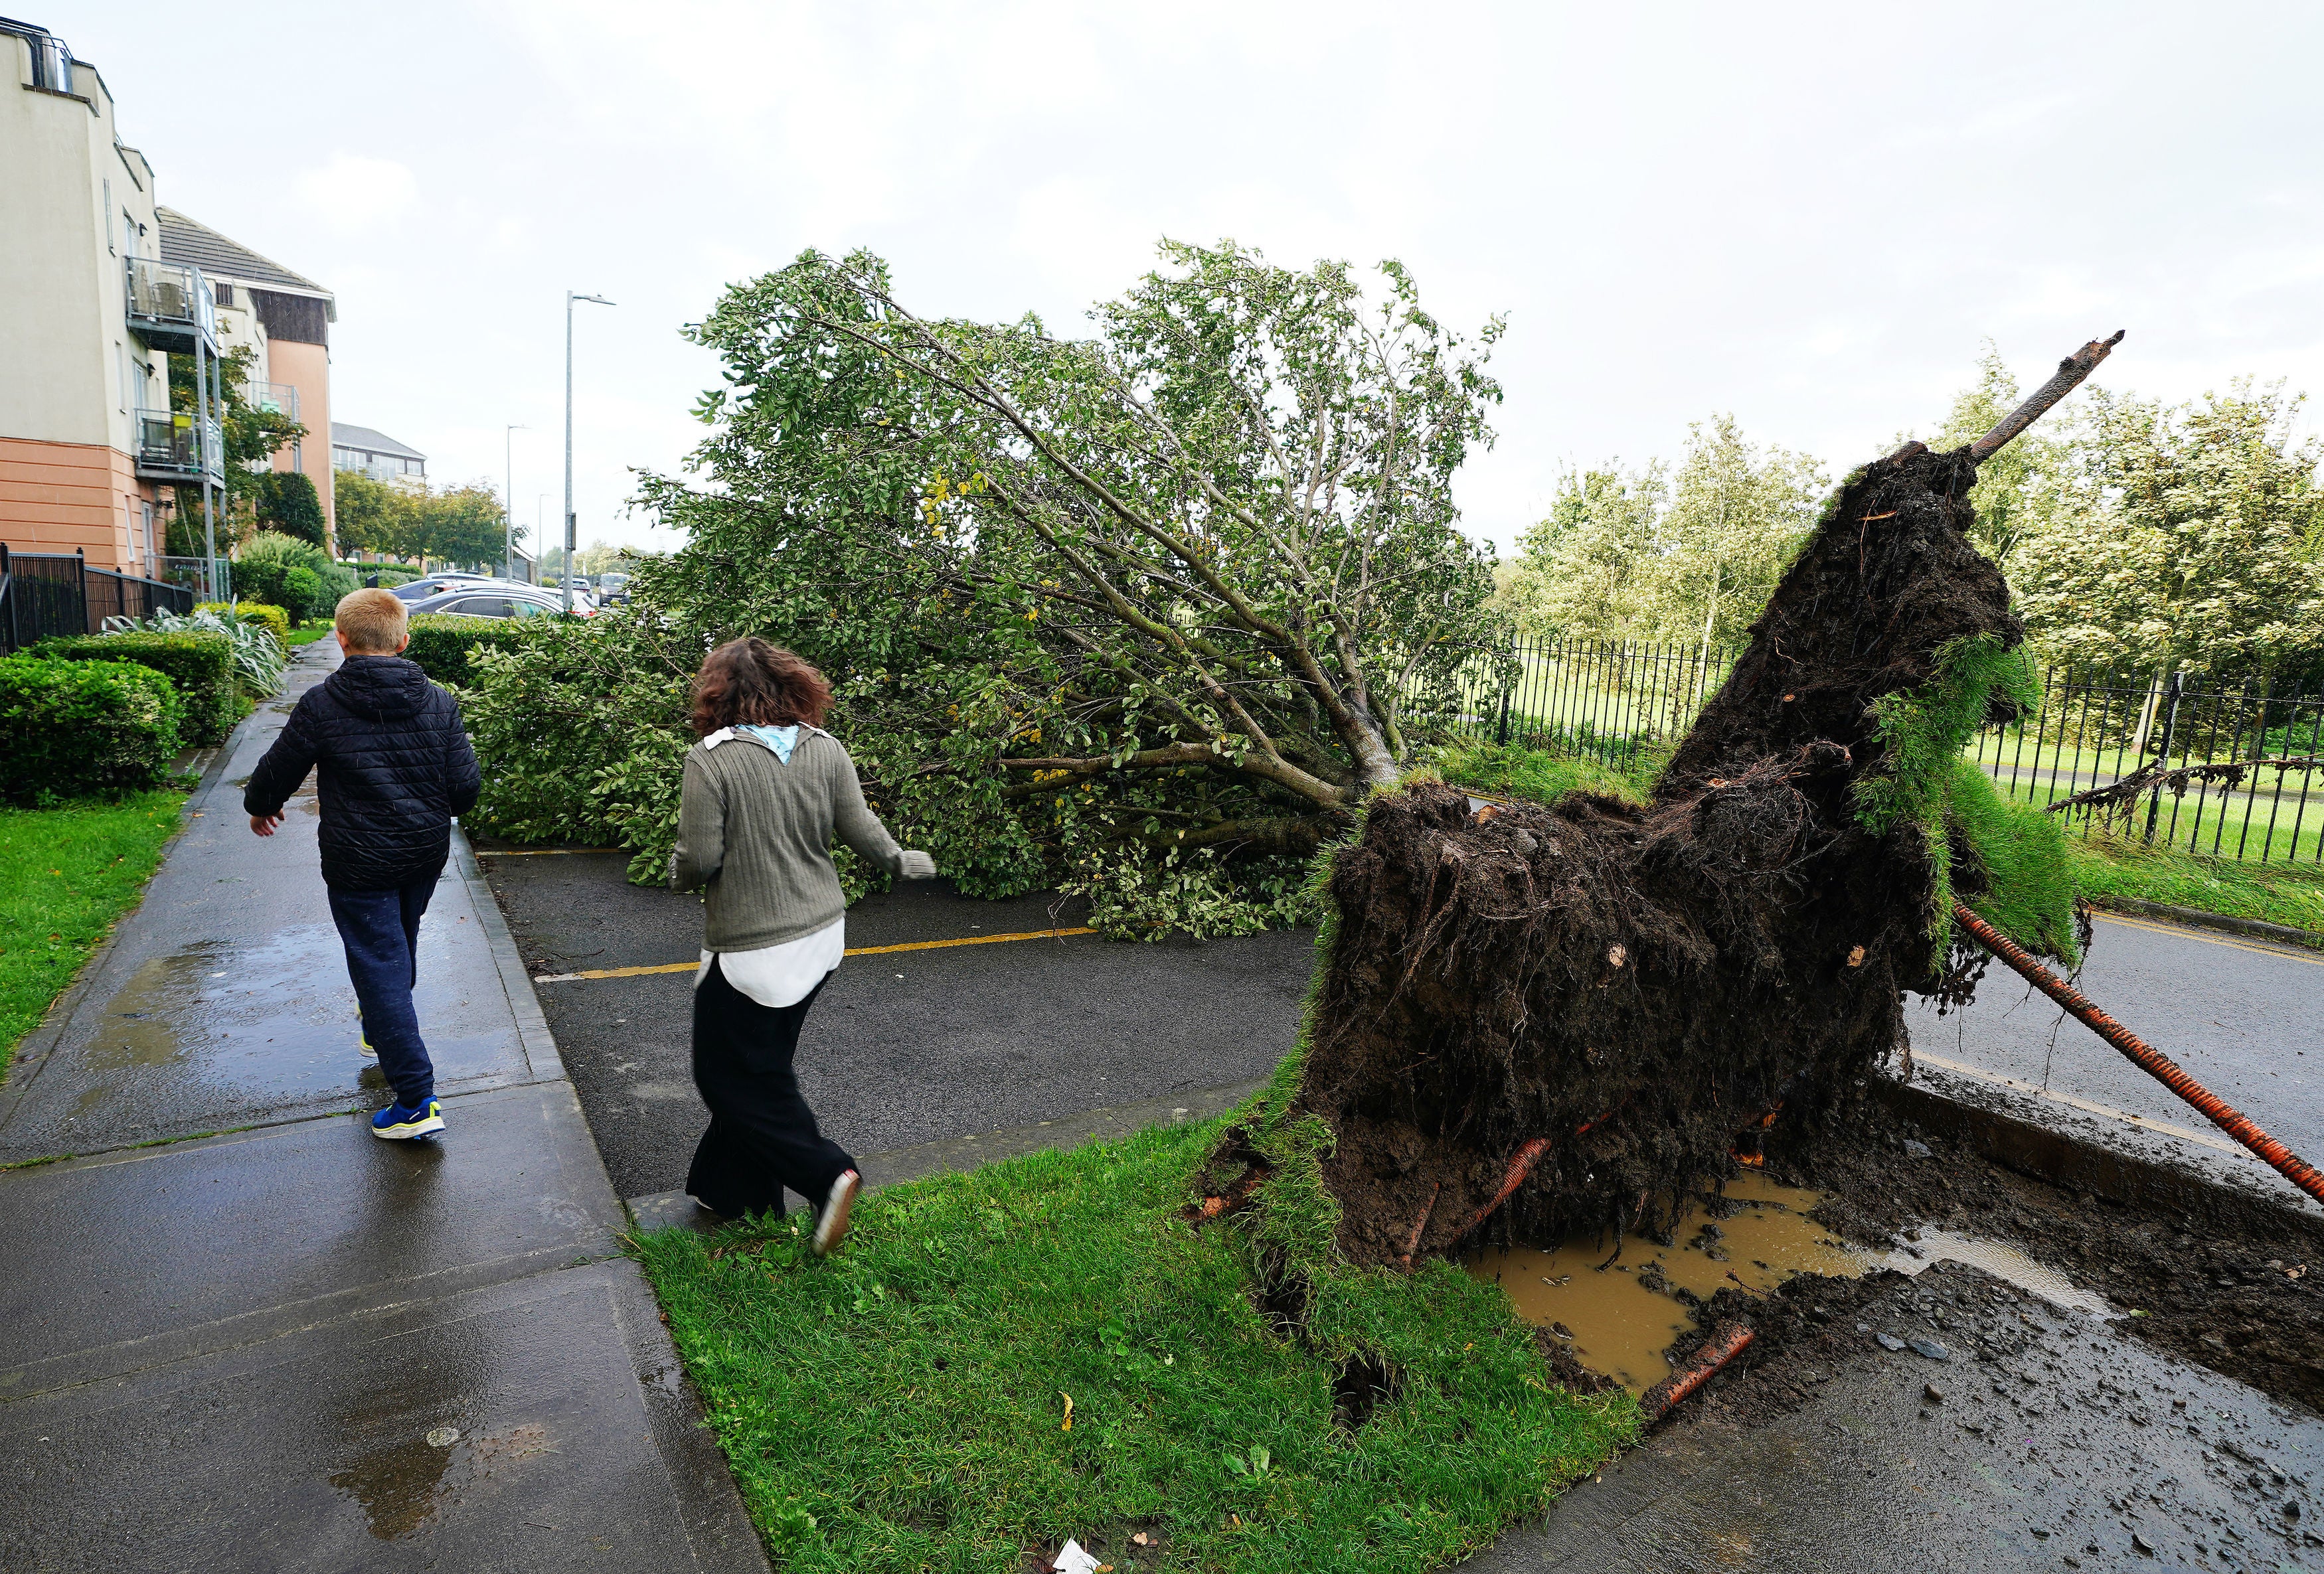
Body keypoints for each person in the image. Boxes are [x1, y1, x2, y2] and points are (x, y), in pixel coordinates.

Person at [669, 637, 937, 1255]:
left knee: (727, 1077)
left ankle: (827, 1174)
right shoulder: (827, 749)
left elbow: (699, 857)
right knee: (759, 1067)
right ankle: (733, 1193)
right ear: (797, 688)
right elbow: (863, 830)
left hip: (753, 951)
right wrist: (907, 863)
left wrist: (676, 874)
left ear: (717, 693)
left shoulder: (710, 759)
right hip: (821, 939)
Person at [245, 588, 480, 1141]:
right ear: (404, 640)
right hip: (422, 853)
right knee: (397, 945)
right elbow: (465, 790)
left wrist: (261, 807)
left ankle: (417, 1101)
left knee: (379, 967)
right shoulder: (439, 701)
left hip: (358, 861)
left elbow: (276, 772)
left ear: (341, 638)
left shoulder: (322, 704)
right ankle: (381, 1028)